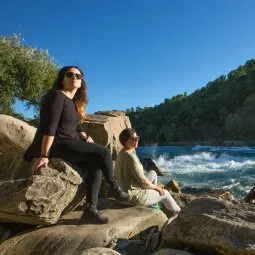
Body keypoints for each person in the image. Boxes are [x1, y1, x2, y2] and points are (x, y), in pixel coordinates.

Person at [23, 65, 129, 224]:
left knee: (96, 165)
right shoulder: (58, 96)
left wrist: (85, 136)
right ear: (62, 79)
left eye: (78, 76)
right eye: (70, 75)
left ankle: (90, 210)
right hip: (59, 143)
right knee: (103, 153)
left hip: (70, 141)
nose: (74, 78)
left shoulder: (71, 102)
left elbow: (76, 124)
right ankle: (114, 187)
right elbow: (50, 126)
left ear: (81, 81)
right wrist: (44, 155)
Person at [115, 128, 181, 216]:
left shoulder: (122, 152)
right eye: (132, 138)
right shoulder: (130, 157)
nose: (136, 140)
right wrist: (157, 188)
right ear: (125, 141)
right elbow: (143, 181)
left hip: (123, 192)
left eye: (137, 137)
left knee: (153, 173)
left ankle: (153, 205)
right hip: (132, 196)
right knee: (165, 193)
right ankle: (180, 214)